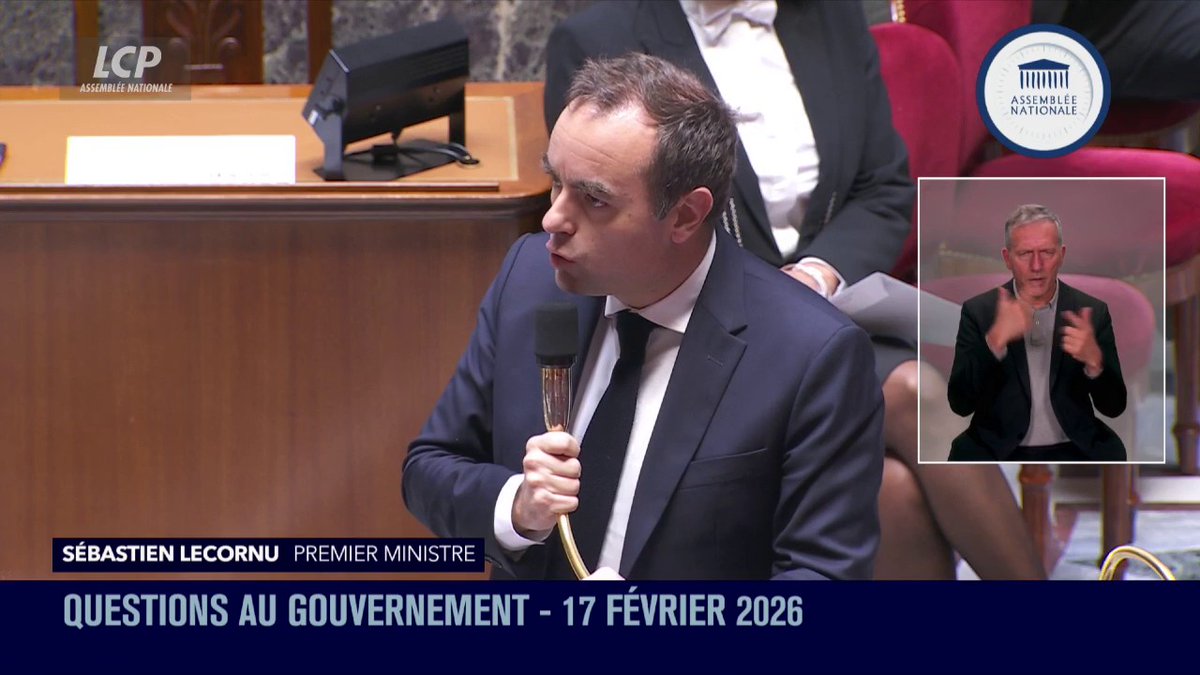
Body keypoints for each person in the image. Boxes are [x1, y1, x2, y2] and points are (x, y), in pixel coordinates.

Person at [544, 0, 1044, 579]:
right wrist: (768, 296)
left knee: (910, 420)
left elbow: (882, 187)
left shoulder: (830, 17)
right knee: (897, 465)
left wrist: (817, 274)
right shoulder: (600, 37)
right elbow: (611, 220)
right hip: (701, 323)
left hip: (833, 311)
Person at [404, 53, 884, 580]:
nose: (553, 219)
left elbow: (822, 576)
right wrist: (517, 508)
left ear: (685, 215)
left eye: (594, 199)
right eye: (556, 182)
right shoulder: (530, 278)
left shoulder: (812, 354)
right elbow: (429, 466)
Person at [948, 204, 1127, 462]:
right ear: (1007, 258)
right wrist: (994, 341)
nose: (1036, 265)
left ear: (1061, 255)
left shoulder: (1092, 312)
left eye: (1046, 252)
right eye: (1024, 254)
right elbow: (960, 404)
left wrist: (1094, 363)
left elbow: (1114, 407)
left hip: (1074, 447)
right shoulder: (979, 311)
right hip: (997, 448)